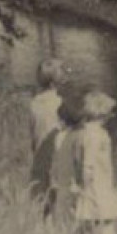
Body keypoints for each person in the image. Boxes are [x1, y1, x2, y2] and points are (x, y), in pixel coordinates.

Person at [52, 90, 117, 234]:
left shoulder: (83, 132)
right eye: (109, 112)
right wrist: (84, 185)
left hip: (99, 184)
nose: (111, 116)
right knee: (105, 225)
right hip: (97, 186)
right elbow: (88, 163)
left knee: (92, 224)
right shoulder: (95, 135)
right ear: (102, 113)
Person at [28, 58, 68, 207]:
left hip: (39, 152)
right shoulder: (60, 104)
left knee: (40, 192)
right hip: (55, 154)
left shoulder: (34, 103)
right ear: (54, 83)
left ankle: (42, 221)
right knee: (55, 192)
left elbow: (33, 132)